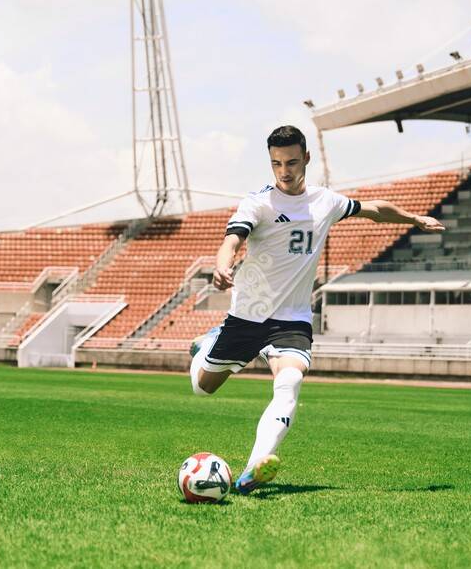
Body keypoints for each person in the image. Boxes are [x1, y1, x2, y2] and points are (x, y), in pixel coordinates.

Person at [188, 125, 445, 494]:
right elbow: (232, 238)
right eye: (276, 163)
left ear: (306, 158)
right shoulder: (258, 203)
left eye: (291, 162)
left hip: (291, 318)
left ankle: (251, 471)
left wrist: (414, 219)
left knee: (290, 380)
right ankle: (207, 344)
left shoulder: (326, 201)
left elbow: (373, 209)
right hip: (248, 314)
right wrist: (223, 264)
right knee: (203, 389)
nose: (284, 171)